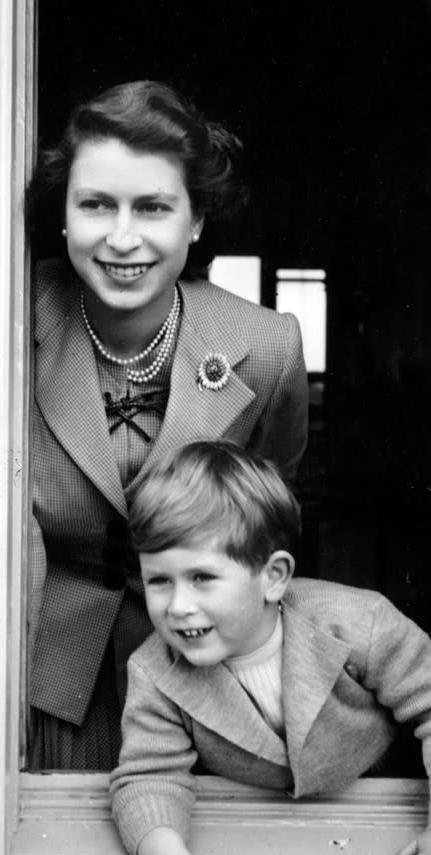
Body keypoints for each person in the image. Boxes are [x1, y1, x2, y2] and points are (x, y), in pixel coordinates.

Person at [25, 81, 309, 770]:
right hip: (42, 677)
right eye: (96, 205)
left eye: (153, 208)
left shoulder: (268, 346)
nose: (123, 238)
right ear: (64, 216)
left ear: (197, 220)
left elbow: (268, 514)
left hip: (206, 679)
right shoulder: (7, 319)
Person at [110, 441, 431, 855]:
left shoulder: (358, 622)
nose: (178, 605)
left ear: (274, 577)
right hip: (271, 836)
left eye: (202, 577)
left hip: (386, 814)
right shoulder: (155, 670)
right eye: (159, 581)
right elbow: (148, 775)